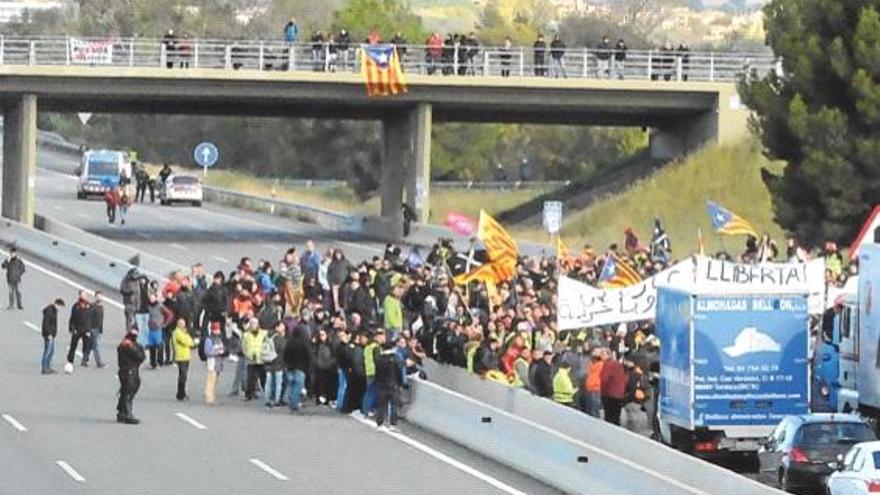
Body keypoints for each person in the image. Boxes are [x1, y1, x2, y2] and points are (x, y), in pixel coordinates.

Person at [117, 326, 146, 424]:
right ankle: (127, 414)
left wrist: (133, 347)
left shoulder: (136, 345)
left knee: (129, 390)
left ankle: (121, 411)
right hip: (127, 371)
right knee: (128, 391)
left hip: (134, 370)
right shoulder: (123, 346)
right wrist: (130, 347)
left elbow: (141, 357)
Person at [374, 340, 403, 430]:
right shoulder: (395, 359)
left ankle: (379, 423)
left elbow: (377, 372)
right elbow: (399, 372)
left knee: (381, 405)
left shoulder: (379, 359)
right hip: (393, 384)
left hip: (382, 384)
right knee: (394, 405)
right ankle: (393, 424)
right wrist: (401, 383)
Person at [283, 327, 312, 412]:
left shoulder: (289, 343)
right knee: (298, 386)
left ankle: (291, 401)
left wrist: (287, 364)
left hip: (290, 367)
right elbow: (308, 356)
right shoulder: (304, 344)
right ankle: (294, 404)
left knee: (291, 385)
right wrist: (308, 367)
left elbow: (285, 356)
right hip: (300, 368)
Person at [241, 318, 268, 401]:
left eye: (255, 323)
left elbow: (266, 345)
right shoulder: (246, 335)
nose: (253, 325)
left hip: (261, 359)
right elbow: (244, 347)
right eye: (252, 323)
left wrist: (264, 355)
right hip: (251, 359)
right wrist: (248, 355)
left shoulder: (263, 334)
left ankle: (267, 393)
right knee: (250, 379)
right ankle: (248, 395)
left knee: (264, 378)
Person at [600, 348, 627, 426]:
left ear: (609, 355)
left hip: (610, 394)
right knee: (616, 417)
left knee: (609, 417)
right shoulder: (618, 364)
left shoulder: (608, 364)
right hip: (619, 394)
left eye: (603, 354)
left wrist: (602, 393)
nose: (601, 356)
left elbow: (604, 379)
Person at [172, 318, 196, 401]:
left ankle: (182, 393)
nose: (183, 325)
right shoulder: (177, 333)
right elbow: (187, 342)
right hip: (181, 357)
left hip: (186, 356)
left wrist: (189, 339)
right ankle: (180, 394)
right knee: (182, 376)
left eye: (184, 324)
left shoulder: (183, 332)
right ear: (178, 324)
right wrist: (188, 339)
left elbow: (191, 342)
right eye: (181, 324)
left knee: (184, 376)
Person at [67, 290, 91, 369]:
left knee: (87, 346)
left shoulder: (89, 305)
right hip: (77, 329)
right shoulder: (76, 306)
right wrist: (72, 328)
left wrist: (89, 329)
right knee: (73, 345)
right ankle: (70, 359)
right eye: (84, 294)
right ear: (80, 296)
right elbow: (72, 318)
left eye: (86, 295)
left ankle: (85, 360)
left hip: (86, 329)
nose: (86, 296)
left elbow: (91, 318)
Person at [264, 321, 287, 407]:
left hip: (268, 362)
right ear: (276, 327)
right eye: (281, 326)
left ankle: (267, 399)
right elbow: (284, 351)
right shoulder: (280, 339)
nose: (283, 328)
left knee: (268, 382)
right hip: (278, 363)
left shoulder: (268, 337)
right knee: (278, 382)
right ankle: (277, 400)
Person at [83, 291, 107, 368]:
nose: (100, 298)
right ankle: (98, 362)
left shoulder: (101, 307)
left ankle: (84, 359)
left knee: (90, 346)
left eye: (101, 296)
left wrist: (101, 329)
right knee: (96, 346)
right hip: (92, 328)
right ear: (95, 297)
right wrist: (87, 330)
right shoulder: (92, 306)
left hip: (98, 328)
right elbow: (88, 318)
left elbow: (101, 320)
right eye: (98, 296)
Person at [41, 298, 65, 374]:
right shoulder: (50, 311)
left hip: (51, 335)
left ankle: (47, 366)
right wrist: (49, 334)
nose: (60, 309)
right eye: (60, 307)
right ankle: (44, 368)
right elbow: (46, 324)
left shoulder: (54, 311)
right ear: (57, 304)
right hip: (49, 335)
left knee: (51, 351)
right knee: (48, 351)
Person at [203, 321, 225, 405]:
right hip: (212, 361)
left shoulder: (219, 339)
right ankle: (209, 397)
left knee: (216, 381)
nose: (218, 332)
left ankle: (213, 396)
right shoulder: (209, 339)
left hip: (219, 362)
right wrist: (217, 352)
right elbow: (207, 351)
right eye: (216, 330)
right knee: (210, 380)